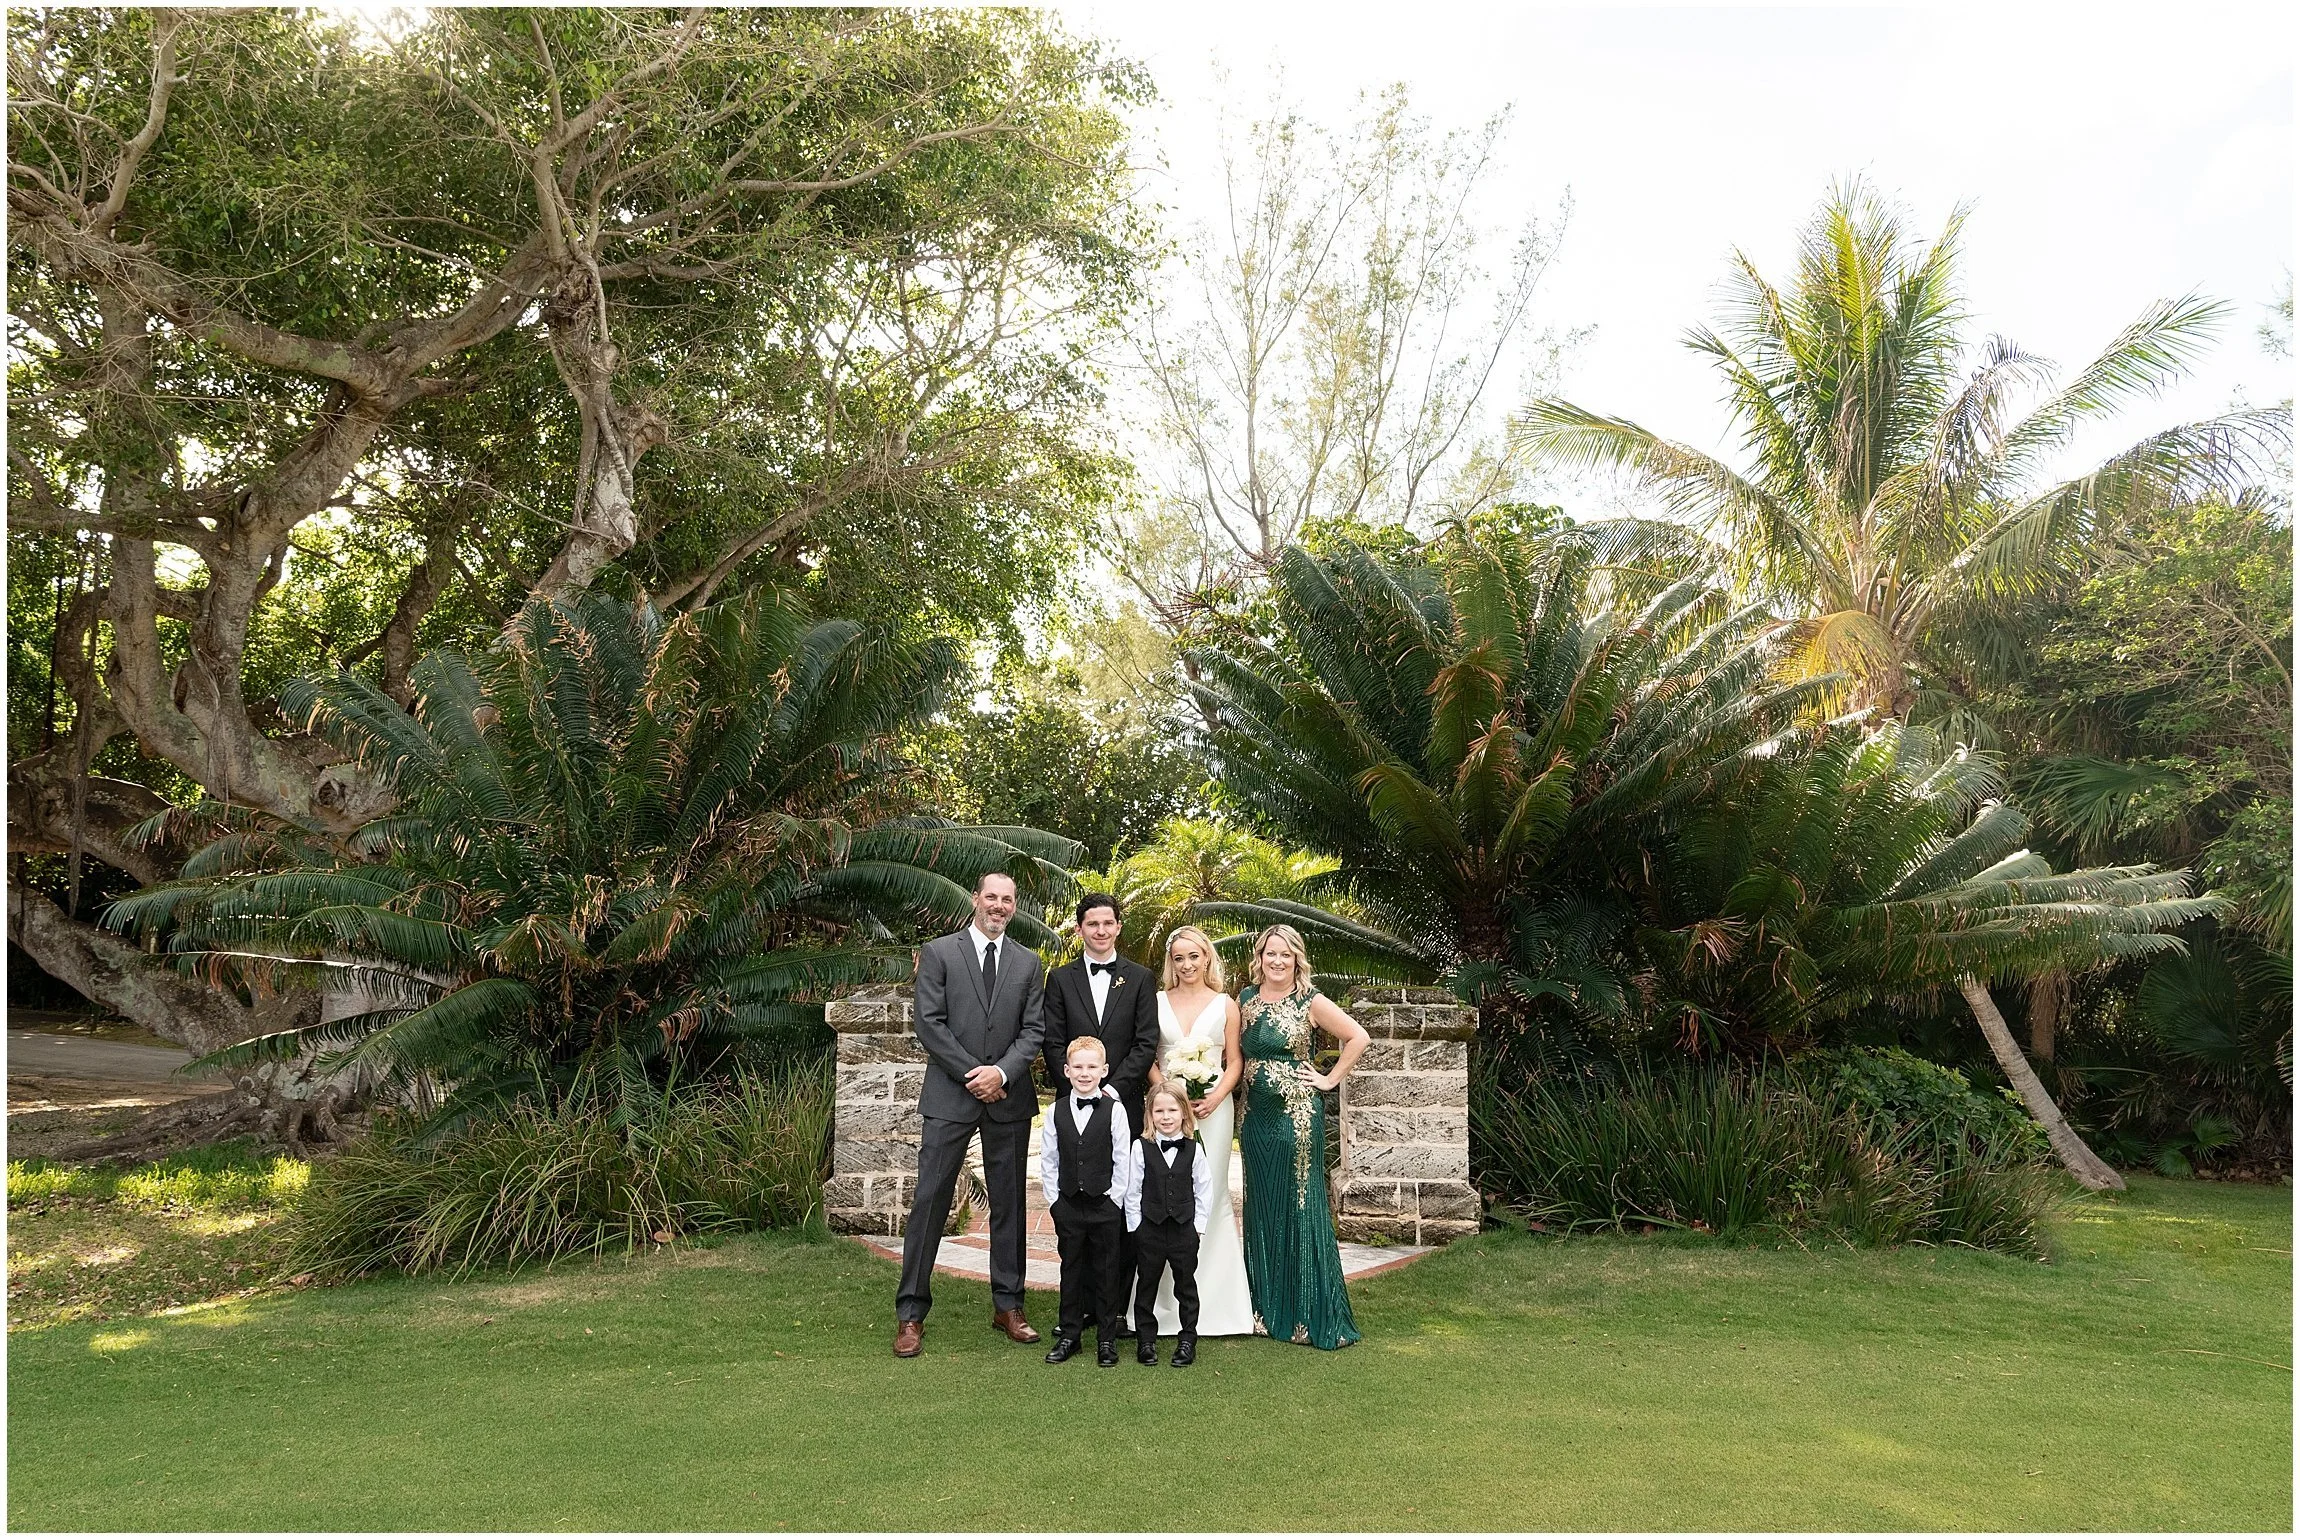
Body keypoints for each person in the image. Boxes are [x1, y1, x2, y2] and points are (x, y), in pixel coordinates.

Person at [893, 871, 1046, 1359]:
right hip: (950, 1097)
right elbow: (929, 1023)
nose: (999, 906)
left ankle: (1009, 1306)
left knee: (1009, 1207)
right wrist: (973, 1074)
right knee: (931, 1201)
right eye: (992, 897)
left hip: (1008, 1099)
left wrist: (1000, 1074)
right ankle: (911, 1313)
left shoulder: (1028, 963)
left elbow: (1033, 1030)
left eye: (1008, 900)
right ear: (976, 900)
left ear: (1014, 907)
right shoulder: (939, 953)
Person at [1238, 922, 1369, 1349]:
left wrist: (1330, 1079)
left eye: (1286, 954)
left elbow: (1358, 1036)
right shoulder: (1245, 1000)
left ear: (1298, 959)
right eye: (1270, 953)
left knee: (1298, 1202)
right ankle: (1264, 1309)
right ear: (1259, 957)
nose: (1278, 961)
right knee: (1263, 1204)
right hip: (1255, 1117)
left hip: (1296, 1116)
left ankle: (1309, 1313)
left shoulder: (1310, 1001)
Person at [1041, 890, 1159, 1333]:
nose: (1101, 930)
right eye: (1092, 924)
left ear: (1118, 928)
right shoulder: (1061, 978)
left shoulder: (1140, 978)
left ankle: (1116, 1310)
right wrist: (1076, 1082)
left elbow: (1145, 1042)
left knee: (1118, 1205)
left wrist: (1110, 1088)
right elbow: (1052, 1041)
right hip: (1072, 1108)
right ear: (1080, 930)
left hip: (1121, 1106)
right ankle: (1080, 1308)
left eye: (1108, 923)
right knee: (1077, 1203)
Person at [1148, 925, 1254, 1336]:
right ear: (1171, 964)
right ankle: (1162, 1303)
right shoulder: (1156, 1001)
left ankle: (1216, 1302)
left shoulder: (1226, 1004)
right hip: (1166, 1110)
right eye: (1179, 958)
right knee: (1166, 1191)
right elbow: (1149, 1055)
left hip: (1214, 1109)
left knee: (1208, 1191)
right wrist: (1166, 1094)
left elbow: (1234, 1062)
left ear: (1207, 958)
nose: (1188, 964)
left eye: (1195, 956)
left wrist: (1214, 1099)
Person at [1039, 1037, 1135, 1369]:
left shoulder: (1115, 1110)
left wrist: (1114, 1200)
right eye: (1078, 1067)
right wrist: (1054, 1202)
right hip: (1068, 1205)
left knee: (1107, 1272)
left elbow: (1124, 1159)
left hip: (1104, 1205)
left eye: (1092, 1067)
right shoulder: (1055, 1111)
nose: (1084, 1073)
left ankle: (1106, 1340)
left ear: (1104, 1070)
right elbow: (1048, 1160)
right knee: (1071, 1271)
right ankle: (1070, 1335)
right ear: (1066, 1071)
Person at [1125, 1084, 1213, 1367]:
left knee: (1186, 1286)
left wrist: (1197, 1228)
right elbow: (1133, 1189)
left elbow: (1204, 1190)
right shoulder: (1140, 1148)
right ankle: (1146, 1340)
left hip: (1184, 1230)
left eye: (1172, 1110)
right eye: (1159, 1110)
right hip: (1149, 1229)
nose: (1166, 1116)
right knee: (1146, 1284)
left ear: (1184, 1113)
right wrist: (1136, 1227)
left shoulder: (1194, 1149)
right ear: (1150, 1115)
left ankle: (1187, 1339)